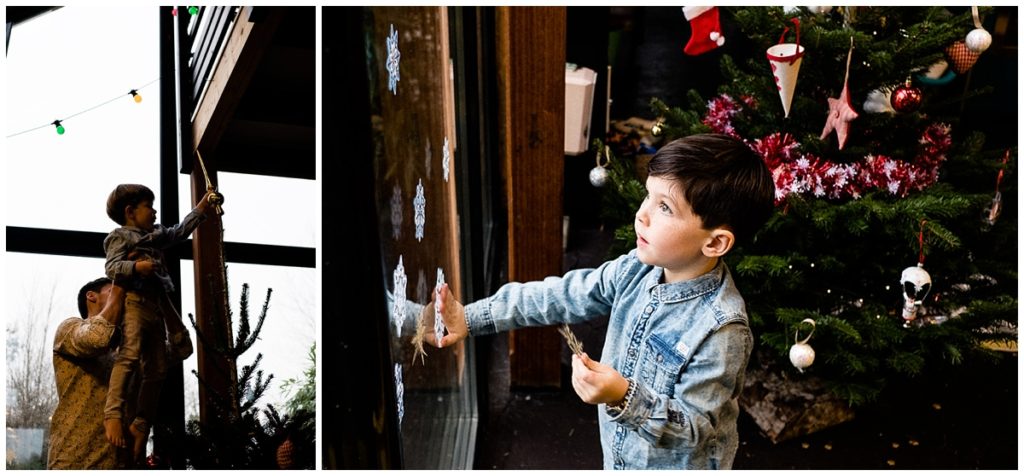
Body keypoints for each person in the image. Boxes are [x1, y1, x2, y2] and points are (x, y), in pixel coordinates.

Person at [425, 134, 775, 469]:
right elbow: (560, 295)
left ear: (714, 243)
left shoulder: (722, 330)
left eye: (665, 207)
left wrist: (623, 395)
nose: (642, 214)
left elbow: (695, 429)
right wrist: (471, 318)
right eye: (647, 197)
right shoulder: (635, 269)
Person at [102, 184, 212, 464]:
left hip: (155, 307)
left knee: (158, 368)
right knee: (129, 355)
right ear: (130, 212)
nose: (154, 211)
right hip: (135, 303)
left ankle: (141, 422)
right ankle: (112, 413)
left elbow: (178, 231)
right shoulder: (120, 236)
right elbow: (112, 267)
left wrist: (201, 208)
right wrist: (137, 267)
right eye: (148, 206)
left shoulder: (155, 235)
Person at [48, 277, 194, 469]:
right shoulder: (70, 329)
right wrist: (123, 279)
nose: (126, 297)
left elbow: (182, 349)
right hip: (75, 461)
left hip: (123, 463)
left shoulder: (133, 348)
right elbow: (98, 338)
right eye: (114, 291)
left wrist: (163, 299)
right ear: (91, 296)